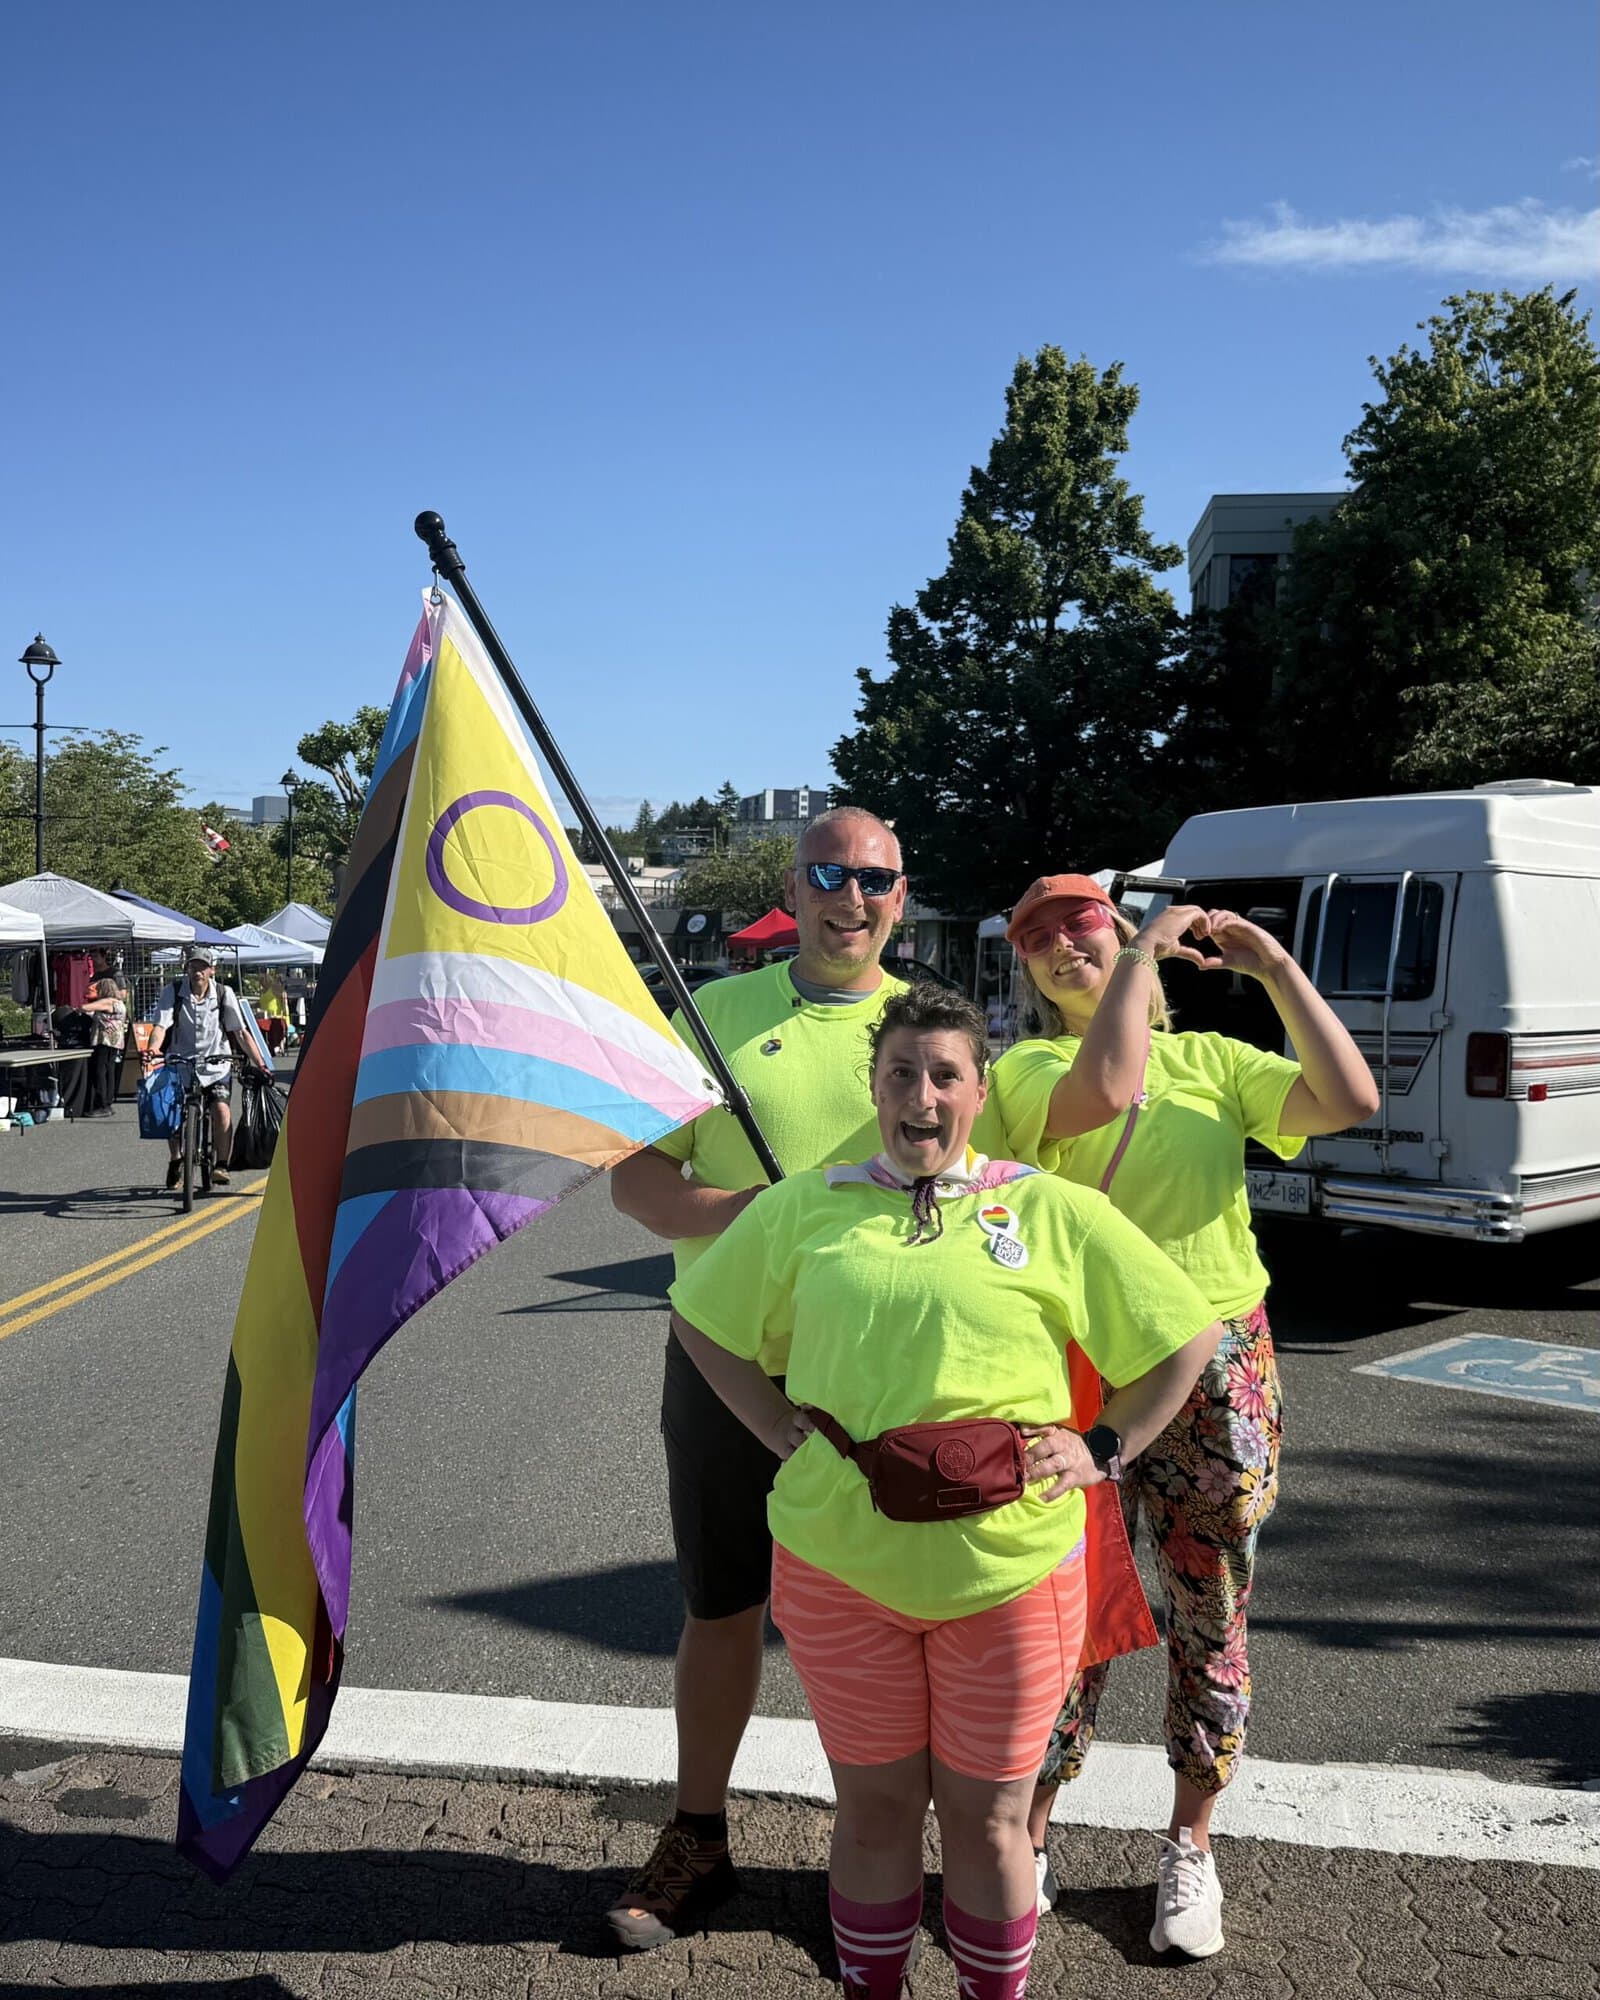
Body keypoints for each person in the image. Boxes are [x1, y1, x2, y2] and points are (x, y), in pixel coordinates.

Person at [669, 985, 1222, 1999]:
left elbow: (1187, 1330)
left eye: (943, 1075)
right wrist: (771, 1426)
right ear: (873, 1089)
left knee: (990, 1818)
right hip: (842, 1568)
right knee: (873, 1811)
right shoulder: (806, 1204)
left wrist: (1106, 1443)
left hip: (1010, 1577)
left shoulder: (1049, 1206)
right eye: (898, 1075)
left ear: (978, 1089)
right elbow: (702, 1315)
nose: (919, 1096)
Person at [980, 873, 1379, 1959]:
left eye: (1084, 924)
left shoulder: (1210, 1059)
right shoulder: (1027, 1069)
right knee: (1065, 1616)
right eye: (1040, 938)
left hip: (1218, 1365)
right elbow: (1106, 1092)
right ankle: (1034, 1834)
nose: (1067, 943)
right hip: (1080, 1371)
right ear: (1024, 971)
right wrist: (1147, 950)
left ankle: (1188, 1842)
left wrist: (1278, 970)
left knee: (1208, 1605)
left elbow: (1348, 1098)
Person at [606, 807, 916, 1949]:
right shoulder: (710, 1014)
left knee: (879, 1620)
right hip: (722, 1360)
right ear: (797, 881)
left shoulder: (925, 1025)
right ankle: (699, 1832)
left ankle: (873, 1856)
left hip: (885, 1376)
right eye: (830, 873)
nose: (852, 896)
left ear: (900, 893)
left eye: (874, 877)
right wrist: (759, 1211)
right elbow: (637, 1184)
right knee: (722, 1607)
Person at [149, 948, 270, 1189]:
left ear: (211, 970)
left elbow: (240, 1032)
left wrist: (262, 1063)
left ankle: (221, 1164)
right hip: (181, 1063)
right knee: (170, 1114)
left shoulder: (224, 994)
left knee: (221, 1110)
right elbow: (160, 1027)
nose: (197, 972)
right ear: (187, 968)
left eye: (203, 967)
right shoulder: (172, 992)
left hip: (216, 1064)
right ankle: (176, 1158)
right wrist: (152, 1051)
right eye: (193, 967)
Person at [79, 975, 128, 1117]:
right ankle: (108, 1101)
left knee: (100, 1071)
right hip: (115, 1040)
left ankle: (102, 1104)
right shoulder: (120, 1003)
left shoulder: (108, 1002)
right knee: (110, 1070)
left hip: (104, 1040)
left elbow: (84, 1007)